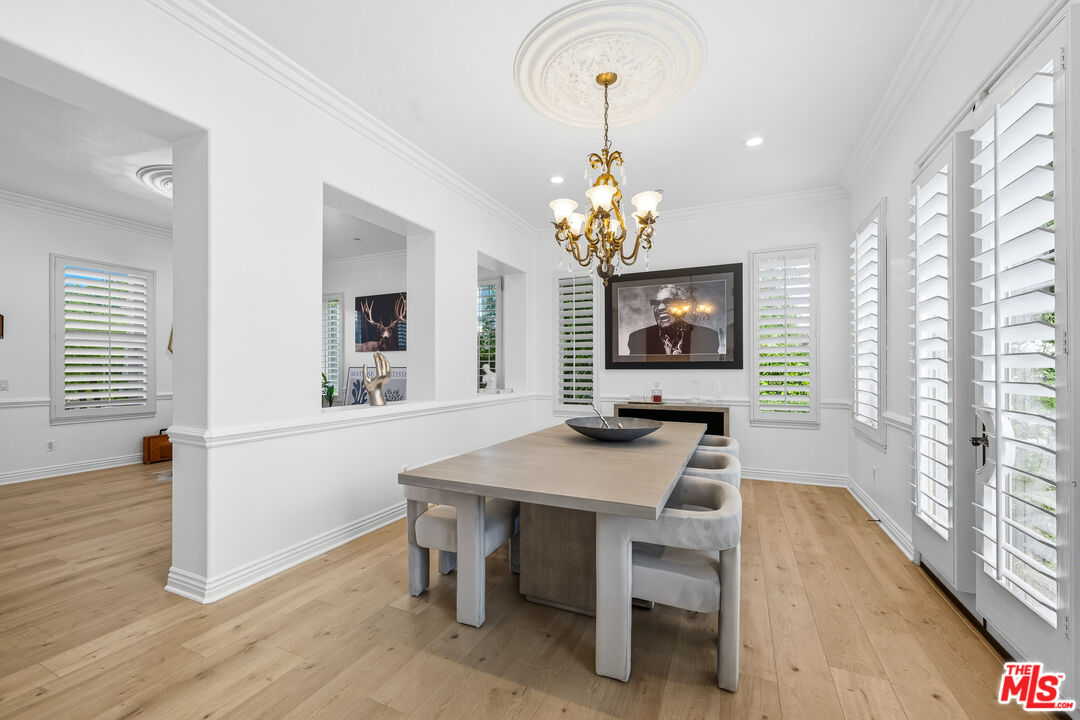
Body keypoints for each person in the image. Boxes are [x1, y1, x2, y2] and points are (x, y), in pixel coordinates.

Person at [627, 284, 722, 355]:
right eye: (656, 303)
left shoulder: (707, 337)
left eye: (668, 301)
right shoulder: (638, 338)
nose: (660, 308)